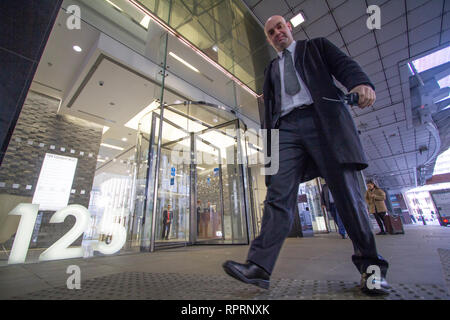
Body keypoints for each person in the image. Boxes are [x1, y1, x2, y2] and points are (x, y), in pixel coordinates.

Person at [222, 15, 390, 296]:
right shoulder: (271, 68)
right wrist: (270, 150)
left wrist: (360, 83)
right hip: (285, 131)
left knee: (348, 197)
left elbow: (345, 65)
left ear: (289, 27)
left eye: (280, 27)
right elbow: (270, 112)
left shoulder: (316, 47)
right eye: (271, 32)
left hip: (324, 121)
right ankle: (259, 268)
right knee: (277, 195)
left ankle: (372, 271)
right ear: (269, 39)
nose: (277, 33)